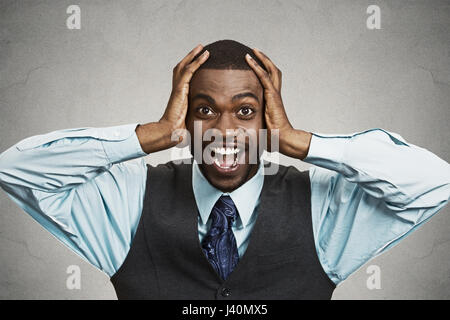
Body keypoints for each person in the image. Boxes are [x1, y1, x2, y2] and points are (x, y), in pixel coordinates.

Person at [0, 40, 449, 300]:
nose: (224, 130)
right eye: (204, 109)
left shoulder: (323, 208)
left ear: (268, 118)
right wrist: (147, 136)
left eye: (246, 111)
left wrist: (300, 143)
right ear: (184, 119)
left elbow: (435, 183)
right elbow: (15, 168)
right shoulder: (130, 200)